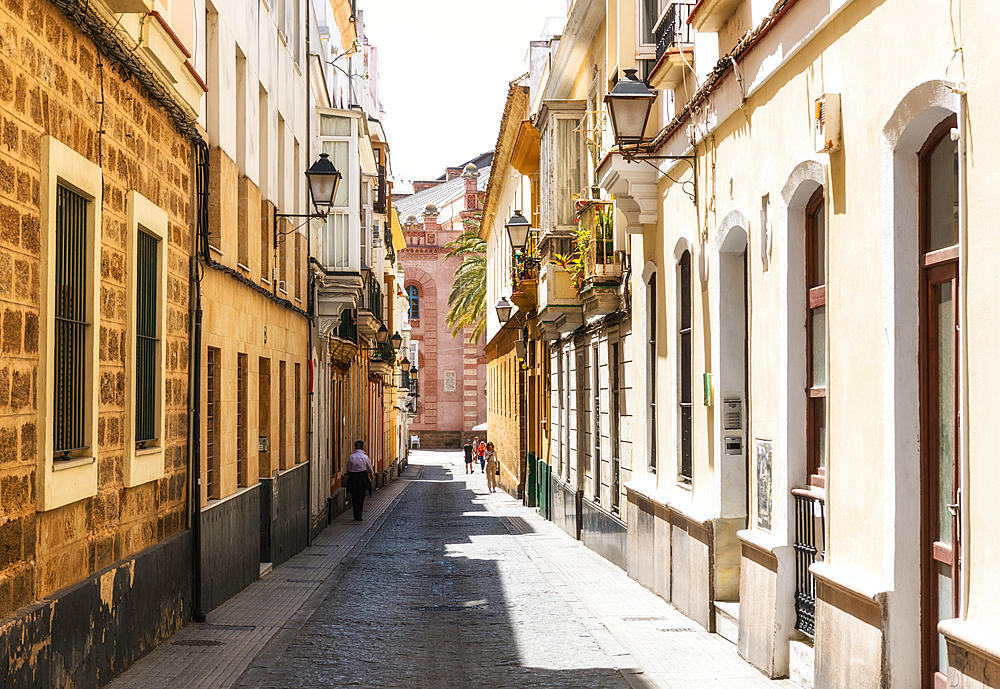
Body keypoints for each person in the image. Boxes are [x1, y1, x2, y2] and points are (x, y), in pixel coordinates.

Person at [346, 439, 374, 521]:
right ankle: (359, 515)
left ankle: (355, 514)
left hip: (353, 478)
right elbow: (369, 468)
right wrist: (371, 473)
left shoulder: (351, 457)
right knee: (361, 497)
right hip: (362, 478)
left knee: (354, 497)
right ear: (363, 447)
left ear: (355, 447)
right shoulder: (365, 457)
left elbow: (348, 468)